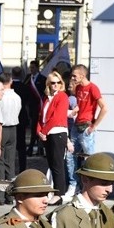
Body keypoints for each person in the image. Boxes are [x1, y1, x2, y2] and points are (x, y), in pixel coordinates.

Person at [37, 71, 70, 200]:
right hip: (48, 133)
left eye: (58, 82)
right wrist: (39, 131)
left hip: (57, 132)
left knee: (58, 165)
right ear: (48, 84)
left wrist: (43, 131)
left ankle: (59, 193)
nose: (56, 85)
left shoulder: (62, 96)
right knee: (51, 164)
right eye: (53, 83)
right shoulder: (47, 98)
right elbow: (42, 117)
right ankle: (55, 191)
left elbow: (56, 117)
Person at [69, 64, 107, 158]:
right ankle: (73, 173)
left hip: (86, 126)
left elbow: (104, 108)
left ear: (82, 76)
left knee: (88, 157)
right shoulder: (78, 88)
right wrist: (75, 110)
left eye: (75, 76)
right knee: (70, 156)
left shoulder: (92, 88)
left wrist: (94, 126)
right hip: (76, 124)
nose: (72, 78)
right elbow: (80, 104)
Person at [0, 73, 21, 204]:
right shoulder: (17, 97)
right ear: (11, 81)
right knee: (10, 163)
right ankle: (10, 195)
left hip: (2, 128)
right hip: (13, 128)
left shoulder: (1, 97)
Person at [25, 60, 47, 155]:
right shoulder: (28, 78)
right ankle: (38, 148)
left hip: (39, 106)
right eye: (30, 68)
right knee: (33, 127)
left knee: (37, 127)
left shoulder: (43, 79)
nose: (31, 69)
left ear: (37, 68)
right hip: (30, 106)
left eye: (33, 67)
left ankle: (36, 148)